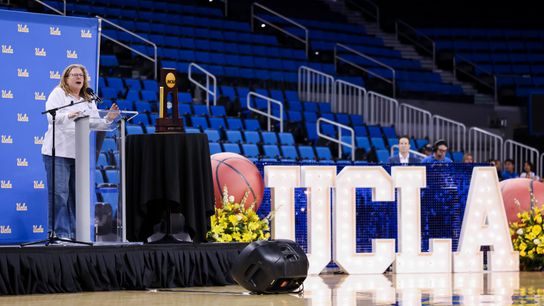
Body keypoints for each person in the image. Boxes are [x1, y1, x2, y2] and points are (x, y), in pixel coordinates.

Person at [41, 64, 119, 240]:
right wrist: (69, 115)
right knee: (60, 196)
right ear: (66, 78)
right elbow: (51, 117)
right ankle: (60, 234)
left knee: (77, 197)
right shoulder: (58, 93)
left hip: (80, 154)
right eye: (74, 75)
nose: (78, 78)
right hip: (58, 152)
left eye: (81, 75)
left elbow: (96, 123)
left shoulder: (89, 98)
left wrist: (108, 119)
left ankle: (77, 235)